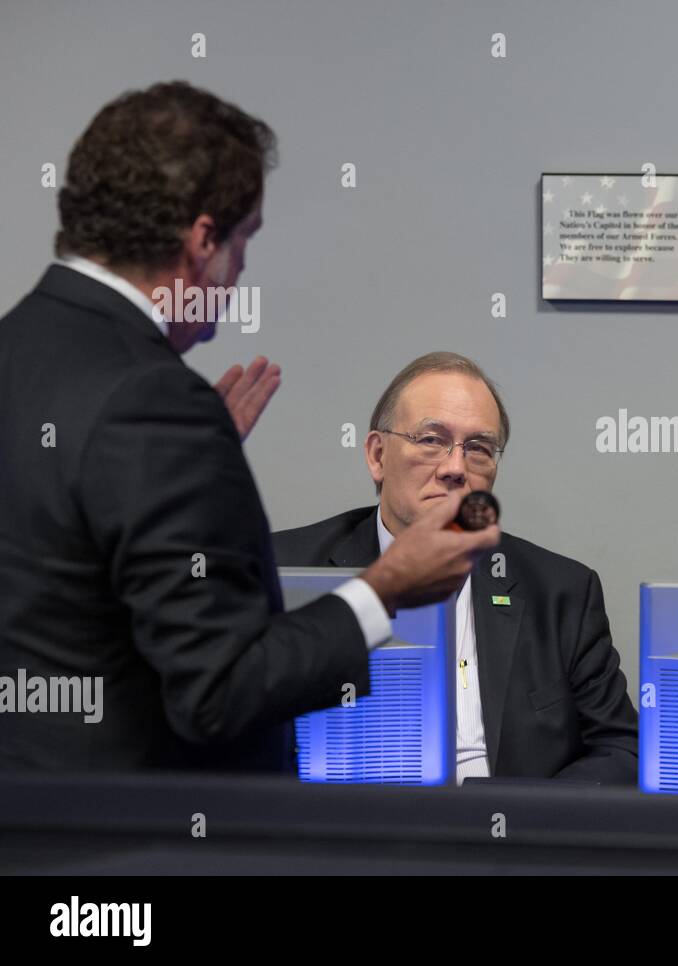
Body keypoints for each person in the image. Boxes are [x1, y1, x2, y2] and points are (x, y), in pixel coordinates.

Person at [0, 82, 497, 772]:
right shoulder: (154, 401)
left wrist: (186, 476)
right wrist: (386, 588)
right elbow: (218, 692)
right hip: (128, 845)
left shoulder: (22, 351)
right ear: (203, 240)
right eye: (245, 242)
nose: (240, 275)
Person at [274, 352, 639, 785]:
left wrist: (516, 818)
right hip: (344, 832)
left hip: (501, 839)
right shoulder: (288, 570)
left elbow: (620, 749)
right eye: (431, 440)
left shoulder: (562, 592)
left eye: (479, 449)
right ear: (377, 455)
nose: (454, 468)